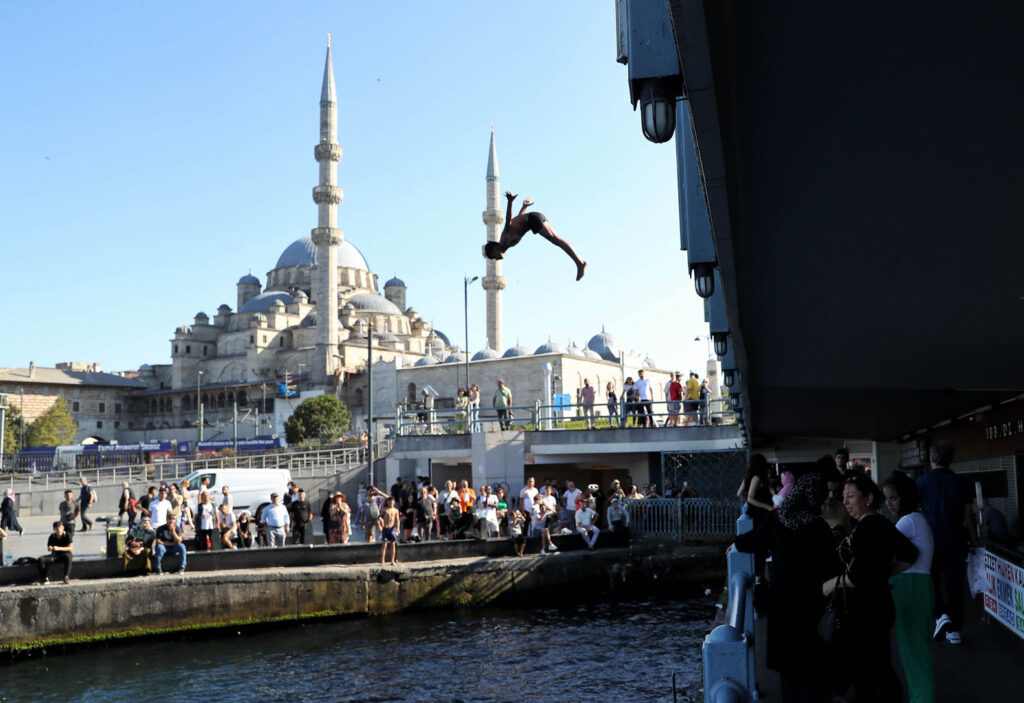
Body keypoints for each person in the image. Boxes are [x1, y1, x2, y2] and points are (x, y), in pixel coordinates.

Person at [733, 474, 835, 703]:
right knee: (810, 664)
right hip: (812, 605)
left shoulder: (777, 520)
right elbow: (831, 567)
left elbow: (751, 541)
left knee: (788, 669)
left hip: (782, 604)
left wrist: (735, 543)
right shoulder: (819, 527)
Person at [822, 475, 919, 702]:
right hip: (874, 604)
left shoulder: (871, 526)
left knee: (870, 668)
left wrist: (830, 585)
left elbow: (859, 575)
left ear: (868, 498)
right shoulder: (875, 523)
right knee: (874, 665)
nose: (845, 501)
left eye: (851, 495)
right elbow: (909, 554)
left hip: (867, 609)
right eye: (843, 496)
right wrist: (882, 574)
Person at [916, 440, 979, 646]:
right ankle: (954, 630)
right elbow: (969, 517)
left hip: (930, 543)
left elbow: (916, 514)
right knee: (954, 586)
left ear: (932, 459)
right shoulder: (963, 483)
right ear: (951, 460)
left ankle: (941, 615)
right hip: (957, 542)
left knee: (931, 583)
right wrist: (975, 542)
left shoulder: (922, 482)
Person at [883, 472, 936, 703]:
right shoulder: (917, 519)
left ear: (904, 497)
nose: (889, 503)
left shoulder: (908, 521)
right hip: (918, 587)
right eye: (886, 498)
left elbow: (882, 548)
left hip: (910, 588)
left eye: (893, 498)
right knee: (917, 654)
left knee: (914, 656)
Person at [482, 190, 587, 281]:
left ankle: (579, 263)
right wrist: (524, 207)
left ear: (494, 249)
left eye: (493, 257)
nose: (496, 259)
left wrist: (510, 202)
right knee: (556, 240)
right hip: (534, 218)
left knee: (557, 240)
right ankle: (579, 263)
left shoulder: (504, 241)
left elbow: (508, 222)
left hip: (533, 219)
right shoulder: (506, 244)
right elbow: (519, 219)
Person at [737, 454, 774, 528]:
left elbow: (739, 494)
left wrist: (749, 503)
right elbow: (750, 498)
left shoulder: (748, 476)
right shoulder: (757, 477)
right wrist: (768, 507)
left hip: (753, 511)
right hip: (760, 512)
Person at [378, 496, 400, 565]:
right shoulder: (384, 509)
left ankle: (392, 561)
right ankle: (382, 561)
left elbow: (397, 520)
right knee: (384, 544)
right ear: (387, 502)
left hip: (392, 528)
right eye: (389, 501)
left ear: (394, 502)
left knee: (393, 544)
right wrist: (380, 525)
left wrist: (398, 528)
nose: (391, 503)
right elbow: (379, 518)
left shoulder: (396, 510)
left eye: (392, 502)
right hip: (385, 528)